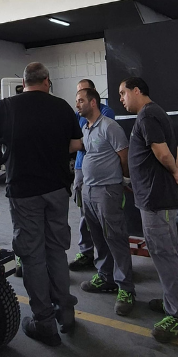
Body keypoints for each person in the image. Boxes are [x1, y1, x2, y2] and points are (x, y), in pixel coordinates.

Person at [0, 62, 83, 346]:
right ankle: (66, 313)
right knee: (56, 250)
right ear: (46, 81)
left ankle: (44, 323)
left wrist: (3, 140)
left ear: (23, 81)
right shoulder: (62, 106)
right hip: (57, 189)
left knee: (32, 256)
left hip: (24, 191)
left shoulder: (8, 106)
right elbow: (76, 144)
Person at [119, 76, 178, 343]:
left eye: (123, 93)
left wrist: (174, 171)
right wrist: (177, 169)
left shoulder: (147, 116)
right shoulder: (156, 113)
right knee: (170, 253)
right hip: (157, 197)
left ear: (136, 90)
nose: (121, 99)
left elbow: (163, 152)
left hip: (155, 199)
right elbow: (174, 149)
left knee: (164, 255)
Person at [74, 87, 135, 316]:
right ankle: (105, 276)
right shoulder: (86, 128)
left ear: (93, 102)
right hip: (88, 191)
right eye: (77, 101)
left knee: (115, 239)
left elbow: (124, 157)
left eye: (81, 100)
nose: (77, 105)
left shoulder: (110, 127)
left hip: (107, 191)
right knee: (98, 237)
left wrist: (123, 180)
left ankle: (126, 289)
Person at [69, 79, 116, 272]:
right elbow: (74, 137)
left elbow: (90, 140)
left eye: (83, 96)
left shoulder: (107, 114)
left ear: (93, 96)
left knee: (105, 218)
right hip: (81, 168)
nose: (79, 103)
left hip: (103, 175)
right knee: (85, 214)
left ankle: (110, 264)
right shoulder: (78, 115)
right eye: (77, 97)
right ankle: (86, 253)